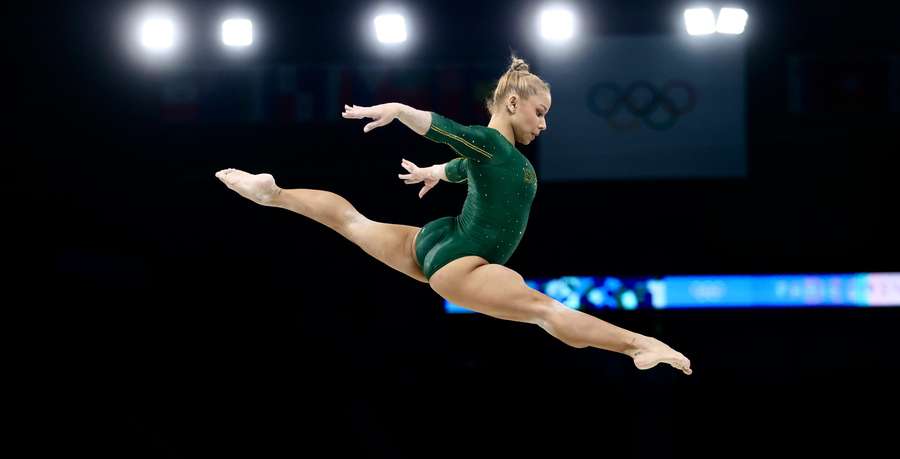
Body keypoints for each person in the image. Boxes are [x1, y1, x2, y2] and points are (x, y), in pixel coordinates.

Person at [215, 56, 692, 374]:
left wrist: (436, 173)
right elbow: (447, 132)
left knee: (352, 221)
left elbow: (466, 166)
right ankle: (639, 345)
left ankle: (274, 194)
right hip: (466, 263)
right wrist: (400, 110)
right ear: (512, 103)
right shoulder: (490, 143)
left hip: (439, 241)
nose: (544, 122)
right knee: (547, 311)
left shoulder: (498, 159)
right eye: (540, 111)